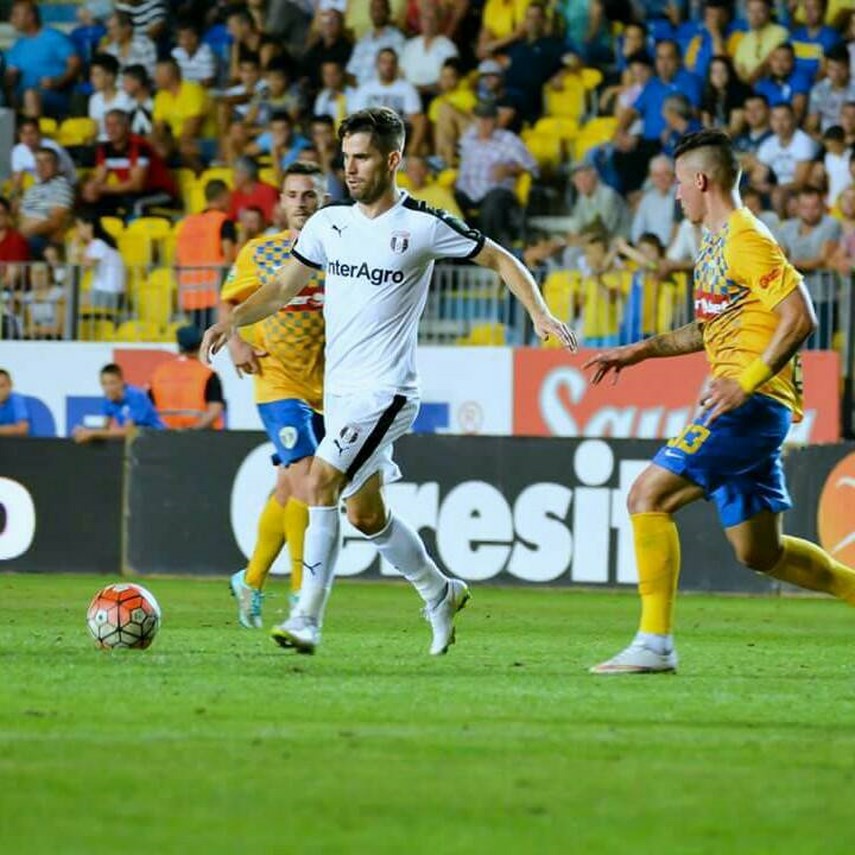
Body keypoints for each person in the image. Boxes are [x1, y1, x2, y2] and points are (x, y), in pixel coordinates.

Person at [202, 106, 576, 655]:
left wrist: (540, 315)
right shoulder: (329, 224)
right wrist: (233, 320)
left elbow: (502, 260)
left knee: (318, 483)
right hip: (340, 393)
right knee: (365, 514)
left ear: (393, 159)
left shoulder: (423, 224)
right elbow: (281, 288)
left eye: (362, 157)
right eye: (345, 157)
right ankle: (440, 591)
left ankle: (306, 618)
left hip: (387, 391)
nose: (350, 169)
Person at [584, 128, 855, 675]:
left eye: (679, 183)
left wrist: (745, 381)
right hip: (747, 405)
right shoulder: (712, 244)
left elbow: (801, 315)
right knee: (761, 553)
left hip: (748, 405)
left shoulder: (745, 238)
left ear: (702, 181)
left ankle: (654, 643)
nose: (675, 194)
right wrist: (641, 350)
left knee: (646, 496)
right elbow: (709, 328)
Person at [219, 162, 328, 628]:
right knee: (307, 484)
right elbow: (229, 300)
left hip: (327, 386)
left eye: (310, 194)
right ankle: (303, 598)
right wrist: (237, 343)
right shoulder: (261, 252)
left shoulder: (342, 250)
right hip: (276, 380)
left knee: (287, 488)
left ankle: (250, 580)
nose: (301, 203)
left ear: (324, 200)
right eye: (293, 195)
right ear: (281, 202)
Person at [176, 179, 237, 330]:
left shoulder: (188, 223)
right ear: (223, 196)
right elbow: (229, 257)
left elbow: (177, 259)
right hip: (214, 295)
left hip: (190, 296)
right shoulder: (223, 222)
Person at [5, 0, 82, 118]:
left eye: (16, 14)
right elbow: (11, 73)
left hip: (54, 95)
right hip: (23, 96)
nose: (12, 19)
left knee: (30, 94)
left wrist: (58, 81)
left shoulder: (54, 37)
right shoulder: (18, 45)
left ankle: (32, 128)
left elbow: (75, 63)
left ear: (30, 17)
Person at [150, 326, 225, 430]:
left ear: (179, 347)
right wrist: (192, 431)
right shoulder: (207, 374)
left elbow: (148, 407)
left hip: (165, 433)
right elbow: (214, 410)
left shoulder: (159, 373)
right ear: (200, 346)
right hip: (201, 435)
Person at [73, 363, 164, 443]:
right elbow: (104, 430)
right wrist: (84, 432)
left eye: (112, 383)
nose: (108, 388)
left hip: (158, 439)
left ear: (121, 382)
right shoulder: (108, 400)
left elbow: (128, 432)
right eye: (104, 384)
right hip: (139, 443)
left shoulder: (136, 396)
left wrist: (92, 433)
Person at [18, 148, 74, 256]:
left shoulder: (60, 186)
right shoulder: (32, 189)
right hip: (25, 239)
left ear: (56, 165)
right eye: (38, 161)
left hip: (43, 241)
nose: (41, 166)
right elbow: (20, 218)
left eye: (47, 161)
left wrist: (26, 233)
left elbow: (55, 223)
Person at [70, 211, 127, 313]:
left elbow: (85, 267)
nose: (77, 231)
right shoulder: (101, 244)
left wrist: (74, 248)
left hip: (107, 295)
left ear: (89, 226)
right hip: (109, 294)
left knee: (68, 300)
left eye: (79, 226)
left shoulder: (98, 243)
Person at [0, 369, 31, 436]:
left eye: (2, 386)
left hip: (15, 441)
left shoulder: (16, 400)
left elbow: (22, 429)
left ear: (10, 385)